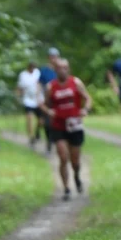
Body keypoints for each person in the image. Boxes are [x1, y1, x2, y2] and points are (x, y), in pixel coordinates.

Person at [42, 58, 93, 201]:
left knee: (75, 160)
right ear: (55, 69)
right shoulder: (51, 87)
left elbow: (88, 98)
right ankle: (66, 189)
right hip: (58, 126)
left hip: (75, 125)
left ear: (68, 69)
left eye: (65, 67)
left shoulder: (75, 83)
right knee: (63, 157)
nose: (62, 70)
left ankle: (76, 176)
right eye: (59, 68)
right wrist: (49, 111)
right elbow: (43, 104)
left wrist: (85, 109)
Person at [37, 47, 61, 153]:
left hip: (59, 99)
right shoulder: (44, 70)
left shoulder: (61, 69)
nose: (53, 59)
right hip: (47, 100)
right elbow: (39, 84)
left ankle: (59, 141)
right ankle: (49, 142)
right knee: (47, 122)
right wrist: (38, 95)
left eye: (55, 56)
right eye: (51, 56)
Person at [16, 60, 43, 145]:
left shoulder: (37, 73)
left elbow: (40, 84)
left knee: (41, 120)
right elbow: (20, 87)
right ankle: (31, 136)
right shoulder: (23, 75)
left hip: (37, 99)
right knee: (29, 118)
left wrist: (39, 95)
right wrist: (18, 96)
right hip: (27, 100)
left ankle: (37, 131)